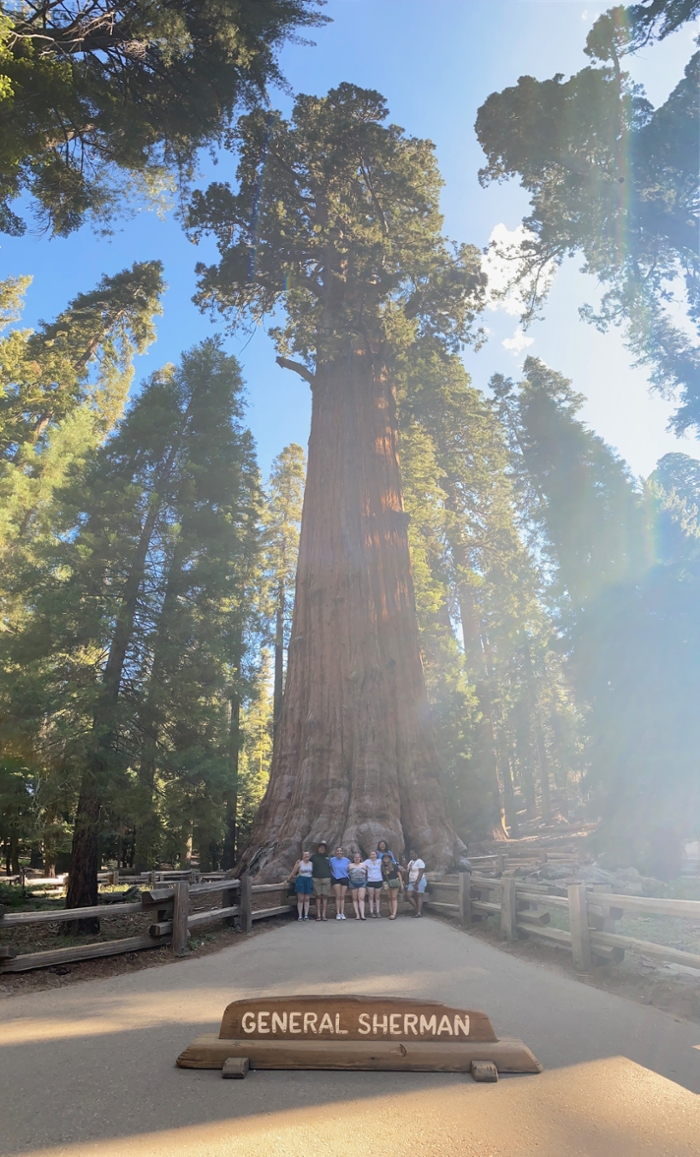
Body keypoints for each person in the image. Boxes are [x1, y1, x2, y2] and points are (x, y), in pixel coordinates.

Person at [287, 851, 313, 921]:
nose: (306, 856)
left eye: (307, 855)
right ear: (303, 856)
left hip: (308, 880)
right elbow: (293, 872)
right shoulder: (299, 863)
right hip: (301, 880)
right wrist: (287, 880)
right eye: (305, 855)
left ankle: (306, 915)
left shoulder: (311, 864)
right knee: (300, 899)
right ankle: (300, 915)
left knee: (307, 898)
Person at [310, 841, 332, 921]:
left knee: (325, 896)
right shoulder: (313, 857)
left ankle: (324, 915)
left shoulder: (327, 857)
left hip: (326, 878)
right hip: (316, 878)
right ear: (318, 849)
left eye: (323, 848)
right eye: (321, 848)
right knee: (318, 896)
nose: (322, 849)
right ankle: (318, 915)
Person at [330, 845, 350, 920]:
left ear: (342, 852)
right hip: (336, 878)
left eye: (340, 851)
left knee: (342, 896)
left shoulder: (347, 860)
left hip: (344, 878)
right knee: (338, 896)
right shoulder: (332, 860)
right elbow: (329, 868)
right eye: (337, 851)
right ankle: (338, 913)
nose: (339, 852)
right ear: (335, 852)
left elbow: (350, 869)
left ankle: (342, 913)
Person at [404, 849, 426, 917]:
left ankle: (418, 912)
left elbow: (421, 872)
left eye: (413, 853)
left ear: (416, 853)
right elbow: (407, 871)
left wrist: (417, 883)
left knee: (419, 895)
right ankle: (417, 909)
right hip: (411, 881)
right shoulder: (411, 862)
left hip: (419, 881)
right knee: (408, 895)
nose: (411, 855)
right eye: (410, 854)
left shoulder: (420, 862)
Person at [362, 849, 383, 917]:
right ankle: (371, 911)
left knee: (377, 897)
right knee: (371, 897)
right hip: (370, 880)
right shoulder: (367, 862)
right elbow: (361, 866)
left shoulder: (380, 861)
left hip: (378, 880)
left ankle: (377, 911)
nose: (372, 856)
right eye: (371, 854)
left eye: (374, 854)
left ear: (376, 855)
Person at [347, 852, 368, 920]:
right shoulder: (350, 866)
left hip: (362, 883)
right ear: (353, 858)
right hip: (353, 883)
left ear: (360, 858)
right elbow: (347, 873)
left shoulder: (364, 865)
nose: (357, 858)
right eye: (355, 857)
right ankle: (357, 914)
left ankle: (362, 914)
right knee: (355, 899)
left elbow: (368, 873)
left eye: (358, 857)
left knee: (361, 898)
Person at [381, 852, 401, 919]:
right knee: (389, 897)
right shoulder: (382, 867)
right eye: (385, 857)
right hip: (386, 882)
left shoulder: (394, 865)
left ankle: (394, 914)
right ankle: (391, 912)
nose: (386, 859)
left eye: (387, 857)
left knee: (394, 897)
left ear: (390, 858)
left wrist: (401, 883)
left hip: (394, 881)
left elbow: (399, 874)